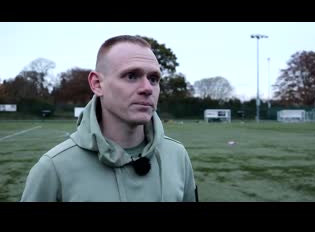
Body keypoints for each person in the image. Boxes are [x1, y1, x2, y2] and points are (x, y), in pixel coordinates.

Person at [20, 35, 197, 202]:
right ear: (97, 84)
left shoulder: (177, 156)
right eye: (131, 76)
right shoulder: (53, 168)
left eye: (153, 78)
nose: (147, 88)